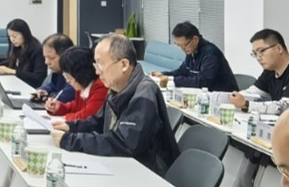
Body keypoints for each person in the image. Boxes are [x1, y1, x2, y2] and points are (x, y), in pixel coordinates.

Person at [51, 35, 180, 176]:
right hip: (124, 165)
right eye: (95, 65)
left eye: (101, 64)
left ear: (123, 65)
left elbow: (125, 142)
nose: (97, 71)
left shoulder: (144, 92)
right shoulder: (116, 88)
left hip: (146, 173)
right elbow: (99, 122)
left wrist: (70, 141)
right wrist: (71, 127)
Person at [230, 29, 289, 114]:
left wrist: (246, 104)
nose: (258, 57)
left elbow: (283, 107)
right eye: (255, 53)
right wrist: (233, 97)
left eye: (261, 51)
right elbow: (252, 93)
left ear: (279, 48)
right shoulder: (270, 71)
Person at [150, 21, 238, 92]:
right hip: (206, 96)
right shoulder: (191, 51)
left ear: (195, 39)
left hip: (225, 98)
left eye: (184, 45)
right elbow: (183, 71)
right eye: (179, 46)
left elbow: (203, 81)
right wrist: (164, 74)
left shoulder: (210, 53)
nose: (183, 49)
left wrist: (171, 79)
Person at [46, 47, 108, 122]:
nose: (67, 81)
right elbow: (77, 106)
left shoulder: (101, 87)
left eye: (69, 77)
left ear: (80, 74)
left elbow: (86, 116)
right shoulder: (82, 85)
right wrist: (60, 107)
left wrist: (64, 118)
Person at [0, 18, 47, 88]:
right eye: (10, 36)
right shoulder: (18, 46)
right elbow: (12, 61)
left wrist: (12, 71)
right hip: (18, 83)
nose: (12, 39)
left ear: (24, 34)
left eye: (14, 36)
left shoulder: (38, 50)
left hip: (29, 87)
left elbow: (38, 78)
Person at [30, 34, 78, 105]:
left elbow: (63, 97)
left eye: (51, 58)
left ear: (65, 55)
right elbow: (52, 84)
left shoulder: (76, 74)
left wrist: (48, 95)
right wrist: (44, 90)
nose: (46, 62)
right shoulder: (59, 71)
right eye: (45, 57)